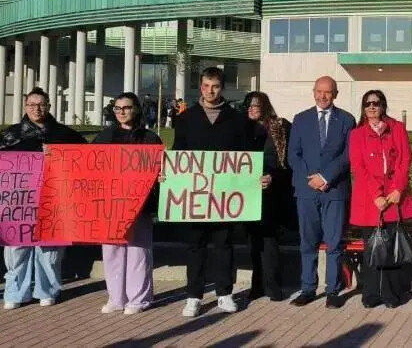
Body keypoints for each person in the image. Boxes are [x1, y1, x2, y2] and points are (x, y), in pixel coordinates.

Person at [169, 66, 257, 317]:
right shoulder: (186, 118)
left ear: (222, 88)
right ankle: (193, 296)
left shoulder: (237, 119)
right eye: (206, 86)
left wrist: (252, 178)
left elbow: (245, 157)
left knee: (224, 245)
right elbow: (178, 153)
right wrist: (170, 173)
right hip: (195, 196)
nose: (210, 91)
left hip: (224, 196)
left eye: (215, 86)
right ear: (200, 86)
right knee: (195, 246)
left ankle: (224, 293)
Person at [1, 87, 86, 309]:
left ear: (48, 106)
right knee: (17, 249)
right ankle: (15, 292)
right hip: (19, 203)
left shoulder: (64, 135)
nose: (36, 109)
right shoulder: (11, 134)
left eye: (41, 105)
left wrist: (59, 153)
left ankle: (47, 290)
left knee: (50, 250)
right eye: (31, 105)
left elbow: (84, 160)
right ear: (25, 106)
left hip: (55, 200)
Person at [287, 76, 355, 309]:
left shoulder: (347, 119)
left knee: (334, 243)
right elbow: (293, 155)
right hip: (306, 190)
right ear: (313, 91)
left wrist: (326, 177)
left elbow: (348, 155)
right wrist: (312, 179)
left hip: (335, 190)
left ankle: (333, 291)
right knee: (308, 242)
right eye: (319, 91)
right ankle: (307, 288)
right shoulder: (301, 119)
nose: (322, 96)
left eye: (327, 92)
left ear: (335, 94)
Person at [93, 93, 162, 315]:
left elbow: (161, 167)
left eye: (126, 107)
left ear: (136, 109)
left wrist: (160, 175)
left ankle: (139, 298)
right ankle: (116, 297)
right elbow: (87, 164)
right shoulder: (104, 137)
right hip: (110, 205)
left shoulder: (150, 139)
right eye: (117, 108)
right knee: (112, 250)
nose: (121, 112)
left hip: (139, 204)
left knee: (138, 250)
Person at [349, 90, 412, 308]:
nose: (371, 107)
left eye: (376, 103)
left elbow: (405, 160)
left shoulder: (397, 128)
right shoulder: (357, 134)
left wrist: (398, 189)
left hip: (394, 199)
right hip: (370, 200)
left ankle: (391, 295)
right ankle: (370, 294)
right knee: (371, 249)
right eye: (367, 103)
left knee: (391, 250)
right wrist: (376, 194)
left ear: (383, 105)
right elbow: (358, 167)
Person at [243, 91, 293, 302]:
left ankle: (273, 286)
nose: (253, 109)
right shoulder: (241, 129)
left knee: (270, 240)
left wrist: (273, 176)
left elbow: (287, 161)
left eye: (257, 105)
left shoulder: (280, 127)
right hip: (246, 191)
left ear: (265, 106)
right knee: (253, 241)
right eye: (249, 105)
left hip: (273, 191)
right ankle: (257, 286)